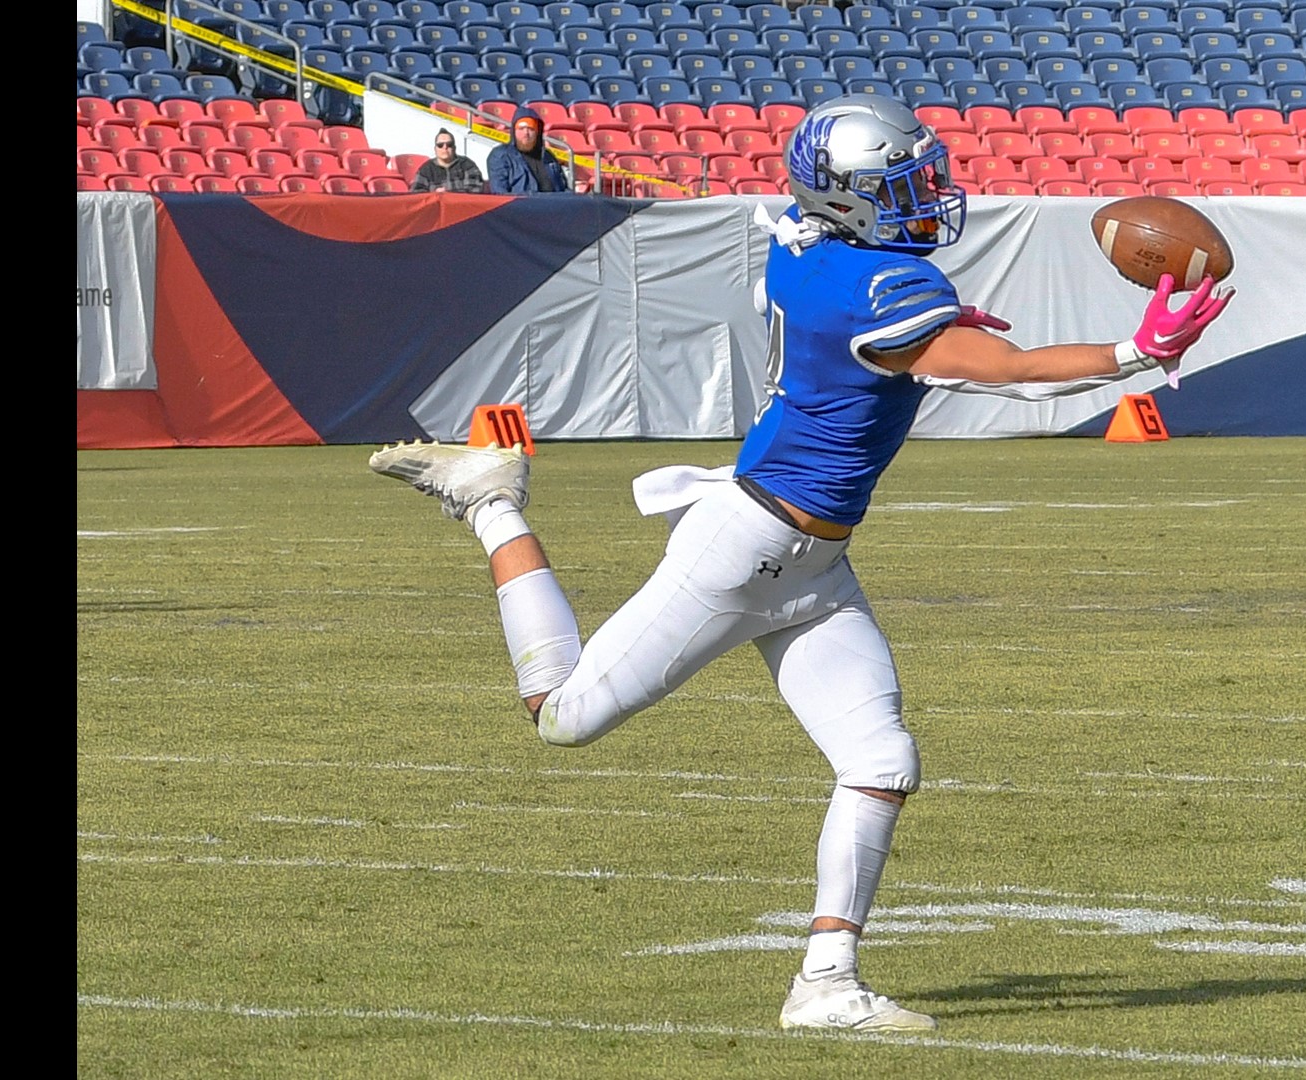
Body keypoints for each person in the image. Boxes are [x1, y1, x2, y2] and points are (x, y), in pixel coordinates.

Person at [369, 94, 1231, 1034]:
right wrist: (1132, 351)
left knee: (881, 761)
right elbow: (1004, 372)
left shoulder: (804, 241)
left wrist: (935, 335)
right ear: (851, 198)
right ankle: (490, 499)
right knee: (561, 718)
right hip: (743, 551)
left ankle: (825, 983)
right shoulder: (880, 287)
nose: (929, 196)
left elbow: (895, 336)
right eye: (904, 185)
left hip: (814, 566)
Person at [486, 106, 572, 194]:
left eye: (531, 129)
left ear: (537, 132)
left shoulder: (549, 157)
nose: (526, 133)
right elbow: (500, 194)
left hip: (554, 202)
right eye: (521, 128)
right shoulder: (501, 156)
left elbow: (563, 188)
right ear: (514, 131)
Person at [409, 128, 485, 193]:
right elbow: (416, 194)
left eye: (449, 144)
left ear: (454, 148)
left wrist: (449, 195)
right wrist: (434, 195)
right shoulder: (426, 169)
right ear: (435, 149)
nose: (445, 147)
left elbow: (475, 190)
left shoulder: (467, 165)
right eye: (440, 145)